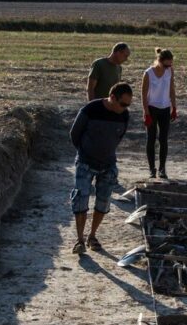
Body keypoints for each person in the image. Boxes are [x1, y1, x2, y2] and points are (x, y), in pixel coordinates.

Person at [69, 82, 134, 254]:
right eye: (123, 104)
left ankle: (92, 236)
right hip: (85, 162)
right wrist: (86, 152)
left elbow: (118, 137)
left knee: (103, 201)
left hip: (108, 164)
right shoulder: (90, 109)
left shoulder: (124, 115)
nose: (125, 108)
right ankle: (80, 239)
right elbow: (74, 134)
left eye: (128, 105)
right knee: (81, 198)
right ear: (112, 97)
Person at [141, 47, 177, 179]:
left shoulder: (170, 71)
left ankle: (162, 169)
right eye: (166, 64)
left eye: (170, 64)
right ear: (159, 61)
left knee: (163, 140)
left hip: (165, 108)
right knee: (151, 139)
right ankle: (152, 169)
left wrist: (174, 107)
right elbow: (143, 94)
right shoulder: (148, 73)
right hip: (151, 108)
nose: (168, 67)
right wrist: (146, 112)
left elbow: (171, 89)